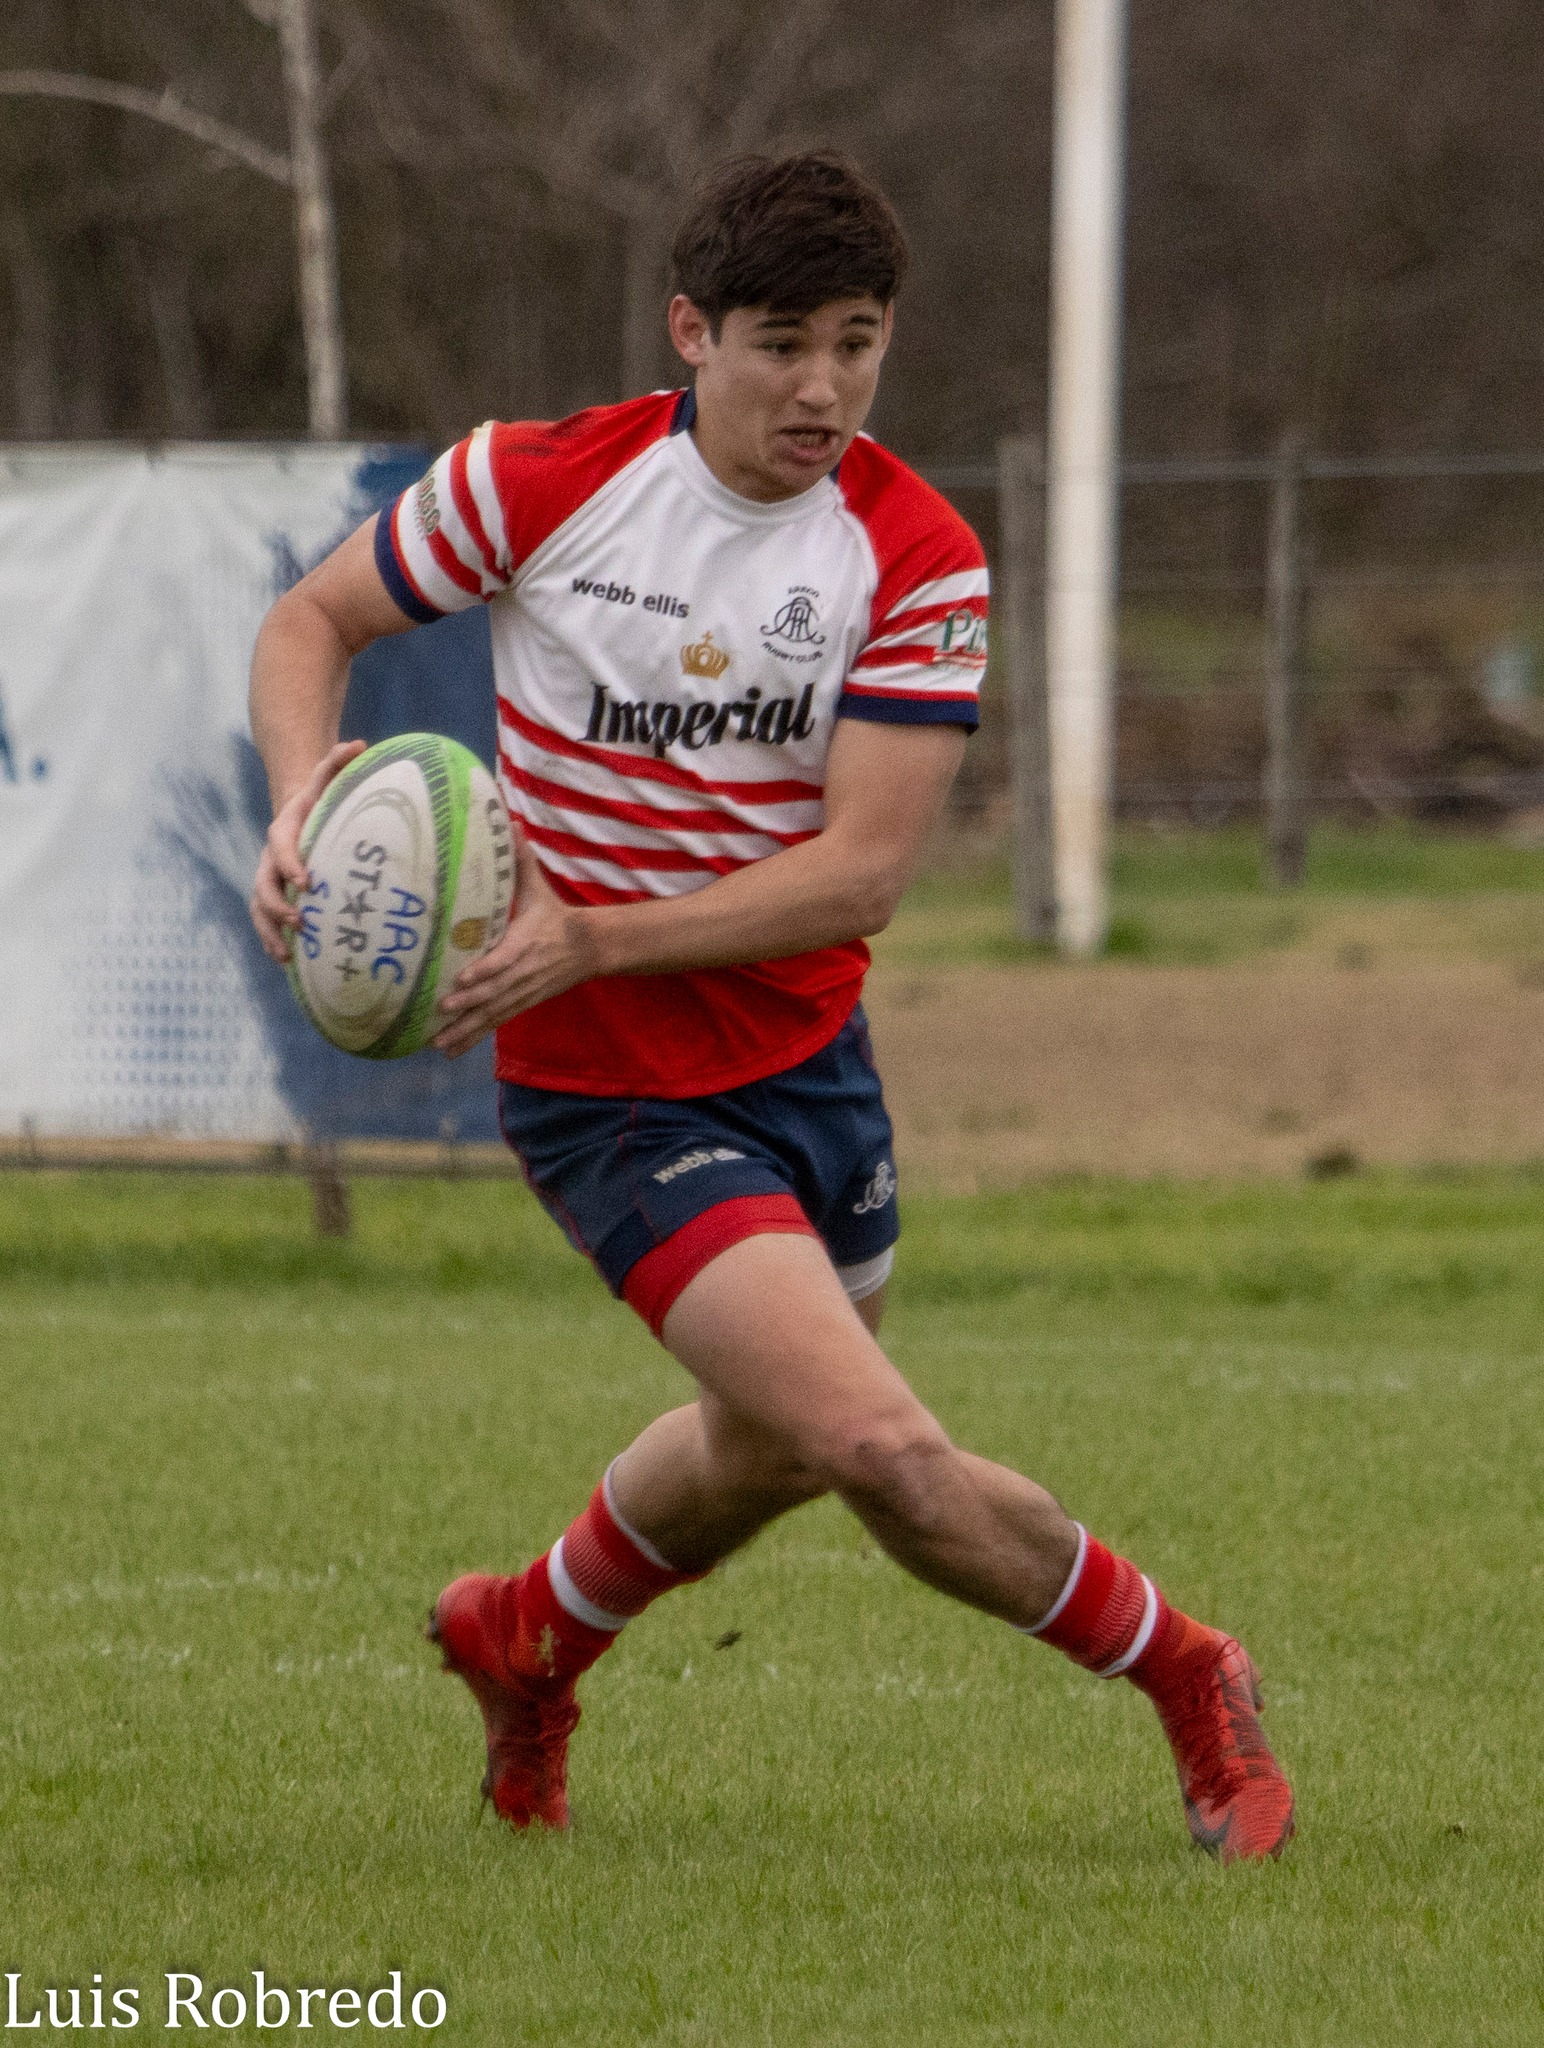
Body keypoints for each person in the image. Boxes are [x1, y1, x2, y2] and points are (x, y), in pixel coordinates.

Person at [248, 151, 1293, 1864]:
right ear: (693, 332)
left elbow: (859, 877)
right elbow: (314, 618)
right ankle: (1192, 1670)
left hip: (810, 1070)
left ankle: (528, 1634)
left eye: (857, 344)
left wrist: (597, 931)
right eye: (783, 344)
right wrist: (304, 795)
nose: (823, 387)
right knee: (877, 1443)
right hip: (608, 1093)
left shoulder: (915, 552)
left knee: (772, 1446)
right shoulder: (542, 481)